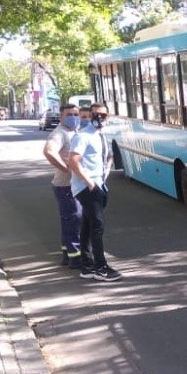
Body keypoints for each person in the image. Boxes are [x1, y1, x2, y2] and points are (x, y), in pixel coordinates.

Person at [68, 103, 121, 282]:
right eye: (95, 115)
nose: (99, 118)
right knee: (97, 226)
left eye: (103, 115)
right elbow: (73, 161)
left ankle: (87, 265)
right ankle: (101, 267)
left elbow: (108, 155)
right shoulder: (83, 136)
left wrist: (106, 171)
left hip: (99, 183)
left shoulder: (101, 135)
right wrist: (89, 183)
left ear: (108, 116)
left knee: (88, 225)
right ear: (90, 115)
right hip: (87, 187)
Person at [43, 104, 85, 269]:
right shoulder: (59, 133)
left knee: (70, 220)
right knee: (73, 220)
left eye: (76, 114)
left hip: (71, 185)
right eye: (69, 114)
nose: (74, 117)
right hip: (65, 185)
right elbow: (48, 151)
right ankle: (75, 258)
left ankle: (68, 254)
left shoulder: (73, 131)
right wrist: (66, 169)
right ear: (61, 117)